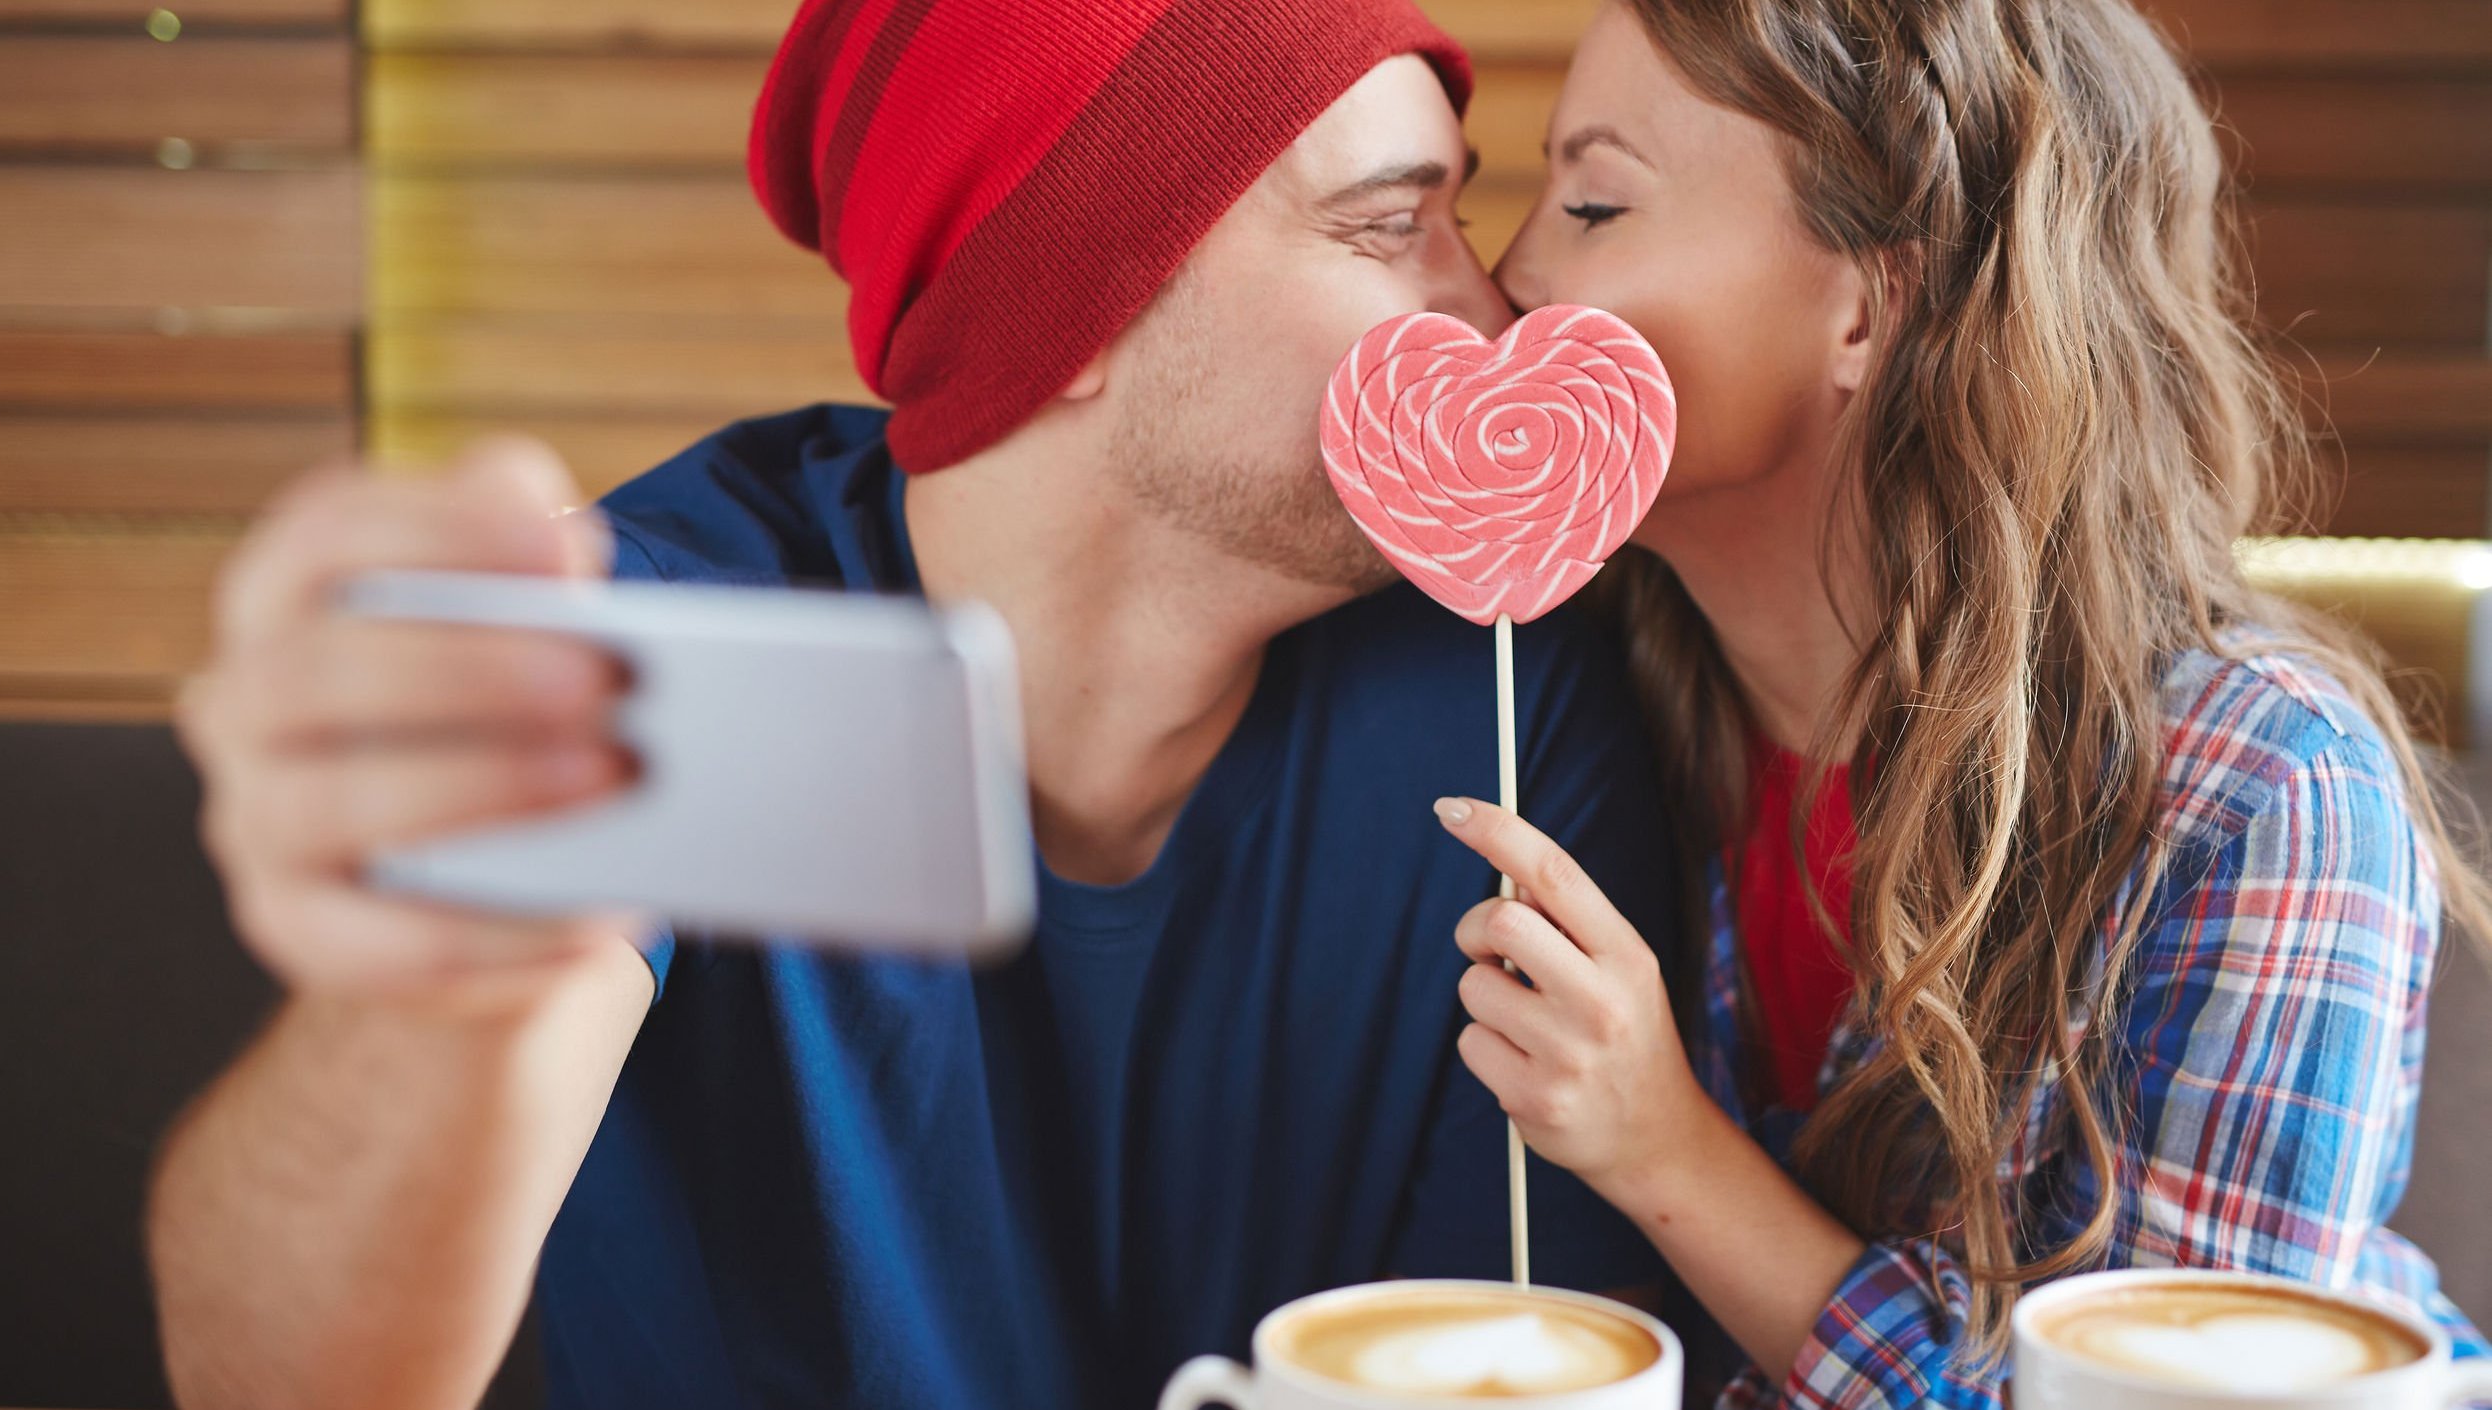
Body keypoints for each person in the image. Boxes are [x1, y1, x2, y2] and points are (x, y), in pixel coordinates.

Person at [146, 4, 1682, 1408]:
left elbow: (1526, 1338)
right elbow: (286, 1385)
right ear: (1079, 307)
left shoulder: (1505, 708)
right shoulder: (666, 645)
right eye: (1391, 225)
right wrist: (453, 985)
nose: (1495, 315)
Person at [1425, 1, 2491, 1405]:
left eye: (1597, 201)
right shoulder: (1579, 708)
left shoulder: (2266, 792)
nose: (1511, 274)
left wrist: (1666, 1149)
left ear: (1868, 304)